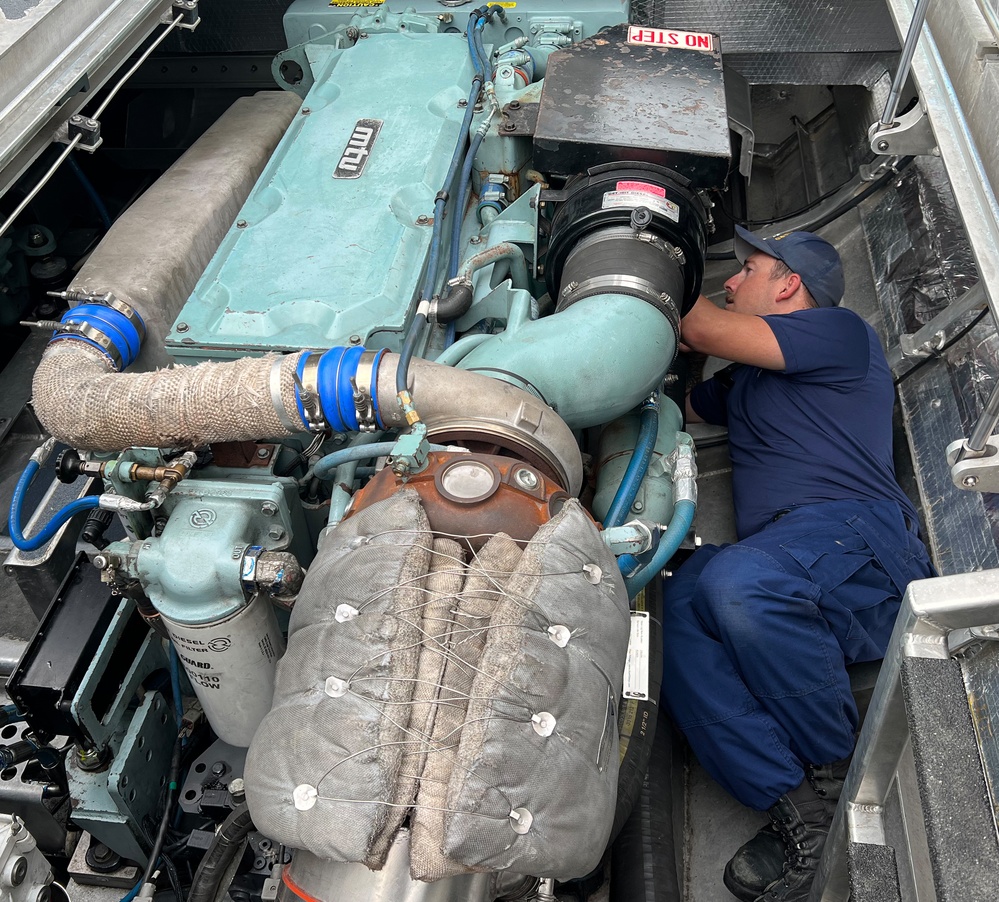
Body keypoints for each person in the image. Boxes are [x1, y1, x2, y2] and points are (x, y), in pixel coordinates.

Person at [662, 226, 934, 902]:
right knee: (668, 607)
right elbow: (673, 410)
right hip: (783, 557)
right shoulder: (745, 382)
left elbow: (697, 326)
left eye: (747, 269)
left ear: (788, 285)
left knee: (741, 585)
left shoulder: (837, 332)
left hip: (858, 541)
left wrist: (651, 264)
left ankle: (837, 770)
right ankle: (798, 812)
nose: (732, 281)